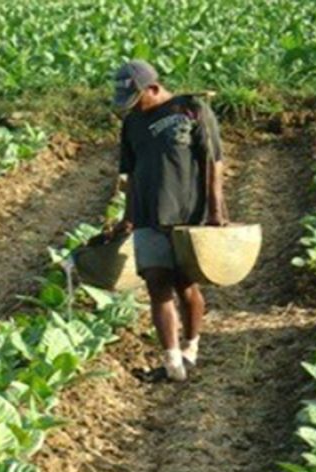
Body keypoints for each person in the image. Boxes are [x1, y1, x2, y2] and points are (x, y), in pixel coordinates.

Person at [108, 59, 226, 383]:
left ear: (154, 88)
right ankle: (173, 362)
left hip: (186, 215)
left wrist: (216, 212)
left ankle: (191, 347)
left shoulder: (191, 110)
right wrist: (127, 218)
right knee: (156, 284)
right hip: (147, 215)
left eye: (136, 99)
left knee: (186, 287)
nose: (132, 108)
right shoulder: (132, 124)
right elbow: (130, 175)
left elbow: (213, 161)